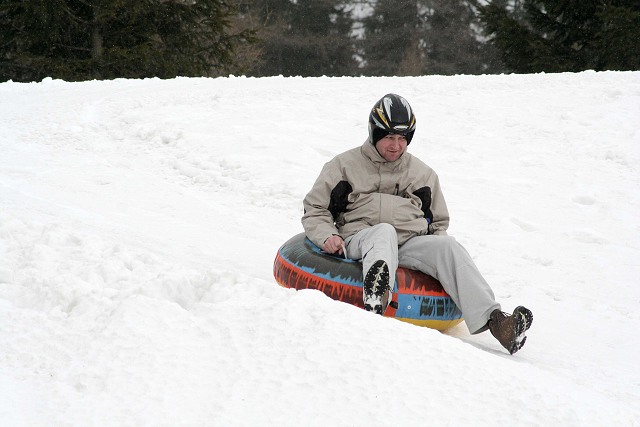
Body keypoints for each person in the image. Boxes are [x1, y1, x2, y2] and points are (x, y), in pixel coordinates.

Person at [301, 93, 533, 354]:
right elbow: (315, 210)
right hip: (361, 238)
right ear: (374, 134)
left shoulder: (423, 174)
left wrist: (438, 265)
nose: (396, 145)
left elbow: (438, 222)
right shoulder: (343, 167)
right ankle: (377, 301)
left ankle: (498, 323)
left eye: (402, 138)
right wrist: (327, 236)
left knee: (449, 248)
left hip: (408, 244)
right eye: (389, 137)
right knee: (383, 232)